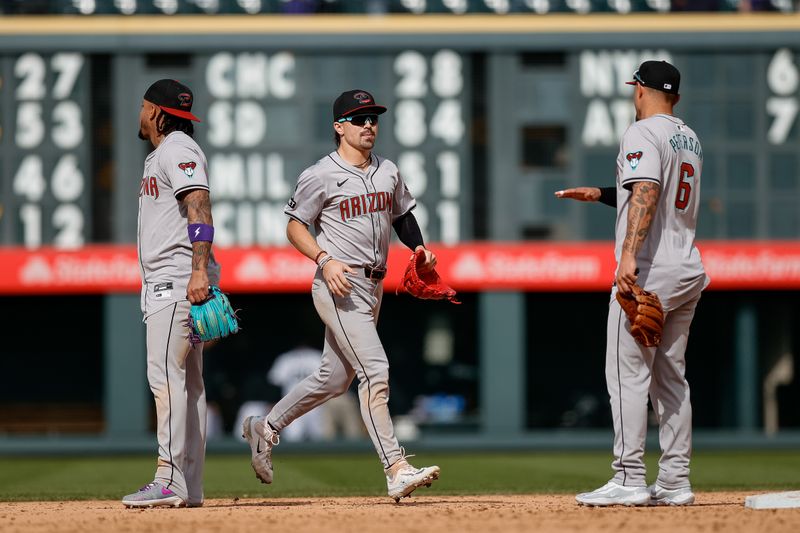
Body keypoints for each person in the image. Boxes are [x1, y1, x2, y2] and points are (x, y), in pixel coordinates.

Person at [242, 89, 441, 502]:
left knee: (333, 379)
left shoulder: (388, 170)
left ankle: (266, 426)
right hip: (338, 283)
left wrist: (418, 250)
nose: (369, 125)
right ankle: (396, 468)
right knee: (375, 370)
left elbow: (402, 215)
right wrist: (323, 258)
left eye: (373, 118)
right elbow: (295, 225)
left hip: (374, 285)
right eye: (359, 118)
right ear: (339, 127)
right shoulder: (320, 174)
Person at [555, 60, 709, 507]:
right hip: (686, 267)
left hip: (650, 268)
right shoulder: (689, 137)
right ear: (675, 97)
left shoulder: (641, 131)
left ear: (639, 91)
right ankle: (676, 480)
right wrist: (604, 194)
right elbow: (654, 191)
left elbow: (646, 191)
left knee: (626, 373)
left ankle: (628, 476)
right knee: (671, 377)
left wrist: (628, 255)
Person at [122, 79, 220, 508]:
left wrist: (198, 271)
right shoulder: (164, 153)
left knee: (166, 379)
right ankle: (189, 486)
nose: (140, 114)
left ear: (158, 113)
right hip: (181, 283)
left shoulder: (176, 147)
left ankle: (169, 477)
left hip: (176, 284)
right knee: (190, 384)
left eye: (144, 107)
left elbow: (199, 200)